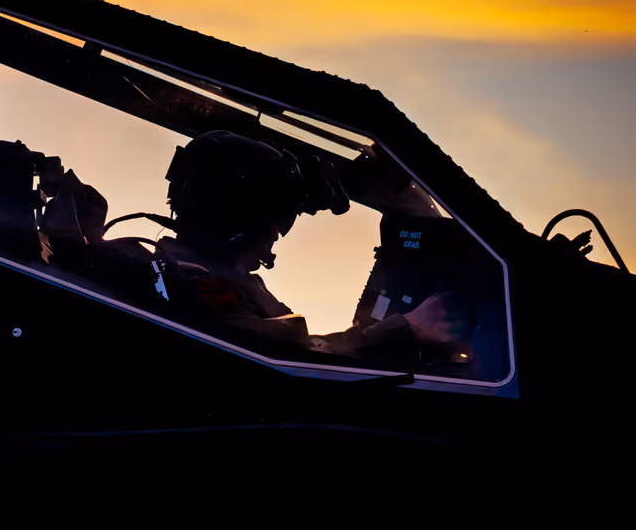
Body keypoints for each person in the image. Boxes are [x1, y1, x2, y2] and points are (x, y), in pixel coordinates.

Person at [100, 130, 468, 360]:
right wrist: (407, 329)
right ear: (243, 218)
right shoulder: (194, 286)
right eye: (278, 218)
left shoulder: (194, 275)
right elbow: (298, 359)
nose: (278, 232)